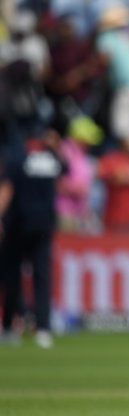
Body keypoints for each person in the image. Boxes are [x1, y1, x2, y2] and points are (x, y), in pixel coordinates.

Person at [1, 129, 68, 349]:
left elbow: (6, 190)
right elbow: (65, 171)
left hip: (17, 226)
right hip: (42, 226)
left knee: (13, 278)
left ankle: (11, 326)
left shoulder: (17, 158)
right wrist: (55, 148)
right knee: (42, 279)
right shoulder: (50, 160)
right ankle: (43, 328)